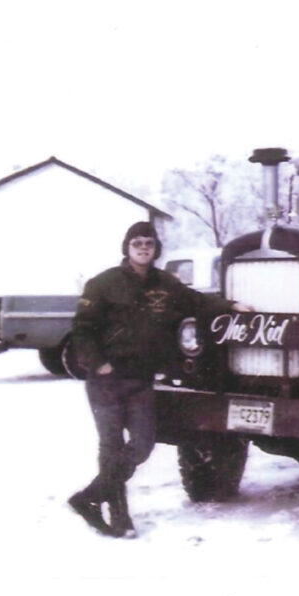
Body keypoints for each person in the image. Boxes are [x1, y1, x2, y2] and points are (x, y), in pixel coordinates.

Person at [67, 221, 252, 538]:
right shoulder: (103, 284)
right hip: (106, 382)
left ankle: (87, 498)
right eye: (137, 242)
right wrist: (98, 365)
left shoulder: (166, 284)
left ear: (155, 249)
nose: (143, 247)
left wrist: (231, 305)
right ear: (127, 247)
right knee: (111, 447)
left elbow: (196, 301)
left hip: (140, 380)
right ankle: (119, 516)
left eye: (149, 243)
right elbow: (82, 331)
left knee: (142, 445)